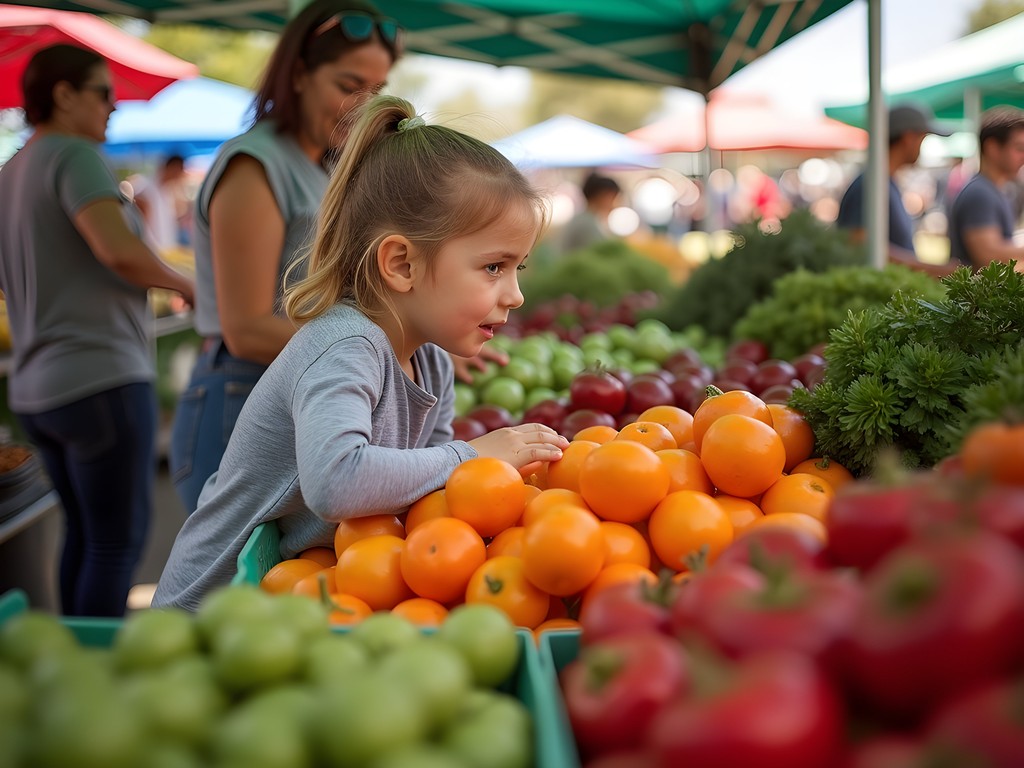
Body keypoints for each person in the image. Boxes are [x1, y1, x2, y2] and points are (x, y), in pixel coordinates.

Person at [152, 96, 568, 611]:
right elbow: (337, 482)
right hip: (208, 614)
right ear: (401, 264)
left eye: (518, 269)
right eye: (493, 268)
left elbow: (421, 494)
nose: (515, 295)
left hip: (298, 606)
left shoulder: (432, 361)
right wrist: (474, 455)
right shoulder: (346, 346)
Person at [168, 0, 404, 514]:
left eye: (377, 91)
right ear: (298, 73)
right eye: (348, 86)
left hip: (305, 393)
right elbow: (248, 327)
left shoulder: (322, 166)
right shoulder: (255, 166)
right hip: (241, 397)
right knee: (228, 589)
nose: (363, 107)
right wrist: (387, 351)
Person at [0, 45, 195, 617]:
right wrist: (191, 285)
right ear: (63, 95)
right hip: (98, 376)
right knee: (115, 543)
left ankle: (69, 654)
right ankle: (93, 671)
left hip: (39, 390)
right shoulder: (74, 156)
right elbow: (119, 251)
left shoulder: (10, 172)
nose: (114, 107)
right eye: (104, 93)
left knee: (85, 538)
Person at [836, 102, 956, 277]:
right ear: (908, 138)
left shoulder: (883, 182)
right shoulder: (870, 185)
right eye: (923, 138)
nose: (922, 147)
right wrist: (932, 270)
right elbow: (860, 244)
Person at [947, 106, 1024, 270]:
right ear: (992, 148)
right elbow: (987, 255)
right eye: (1019, 148)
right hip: (976, 295)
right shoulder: (980, 193)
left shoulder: (995, 189)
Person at [132, 154, 189, 250]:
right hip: (151, 251)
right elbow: (139, 225)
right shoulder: (145, 188)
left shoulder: (166, 191)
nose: (181, 175)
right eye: (180, 170)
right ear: (173, 168)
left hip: (163, 251)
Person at [561, 173, 621, 252]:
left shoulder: (585, 219)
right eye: (613, 197)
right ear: (601, 196)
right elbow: (598, 253)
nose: (615, 204)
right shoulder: (586, 223)